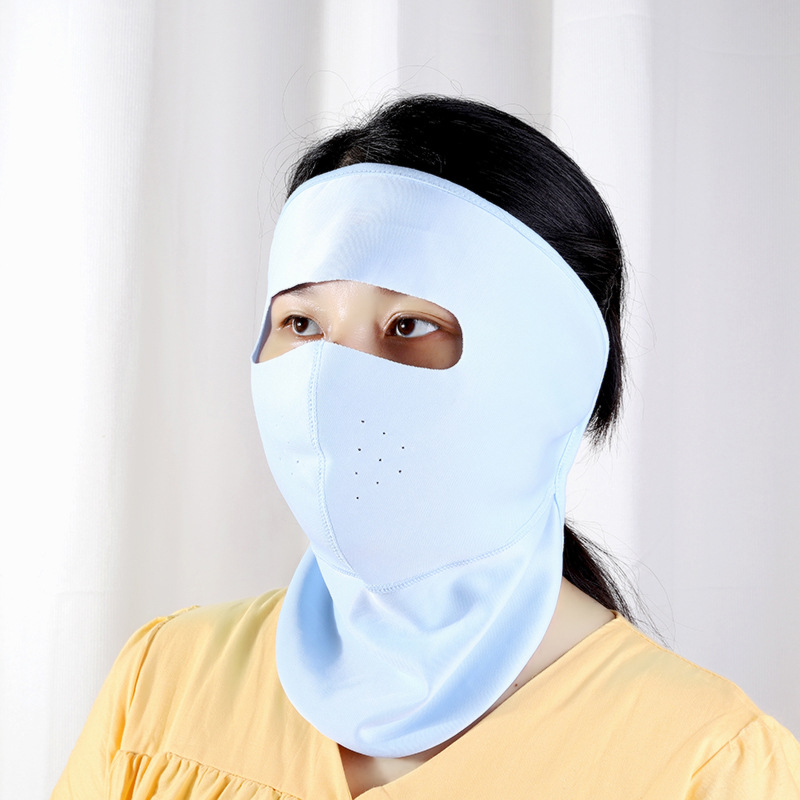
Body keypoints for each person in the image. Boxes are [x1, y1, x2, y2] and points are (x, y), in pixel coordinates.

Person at [52, 95, 800, 799]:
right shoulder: (161, 685)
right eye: (302, 325)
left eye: (409, 326)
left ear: (554, 375)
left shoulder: (705, 767)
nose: (327, 383)